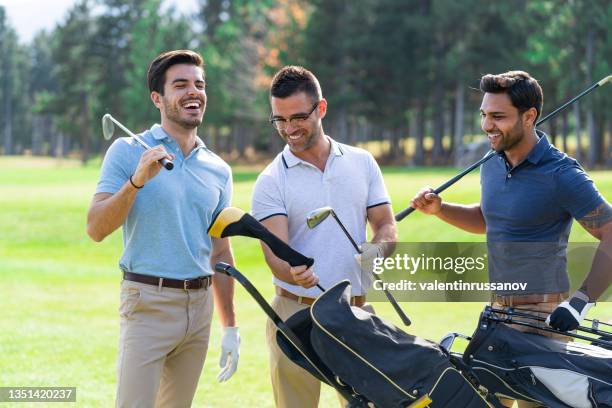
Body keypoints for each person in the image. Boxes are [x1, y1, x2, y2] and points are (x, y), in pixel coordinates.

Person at [410, 71, 612, 407]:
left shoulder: (562, 174)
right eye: (484, 115)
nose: (487, 125)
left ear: (529, 116)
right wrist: (440, 209)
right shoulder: (492, 162)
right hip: (498, 314)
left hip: (543, 320)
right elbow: (490, 220)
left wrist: (580, 302)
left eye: (498, 116)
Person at [86, 50, 240, 408]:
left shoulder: (219, 169)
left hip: (199, 309)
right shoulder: (127, 151)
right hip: (147, 303)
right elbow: (95, 228)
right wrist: (137, 181)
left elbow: (220, 252)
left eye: (199, 84)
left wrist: (229, 326)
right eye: (181, 84)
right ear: (158, 98)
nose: (193, 92)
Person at [251, 66, 397, 408]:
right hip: (296, 314)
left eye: (298, 117)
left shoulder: (362, 162)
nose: (289, 129)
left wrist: (377, 251)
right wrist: (290, 271)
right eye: (279, 120)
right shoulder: (271, 180)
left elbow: (386, 225)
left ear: (321, 108)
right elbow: (275, 252)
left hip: (356, 312)